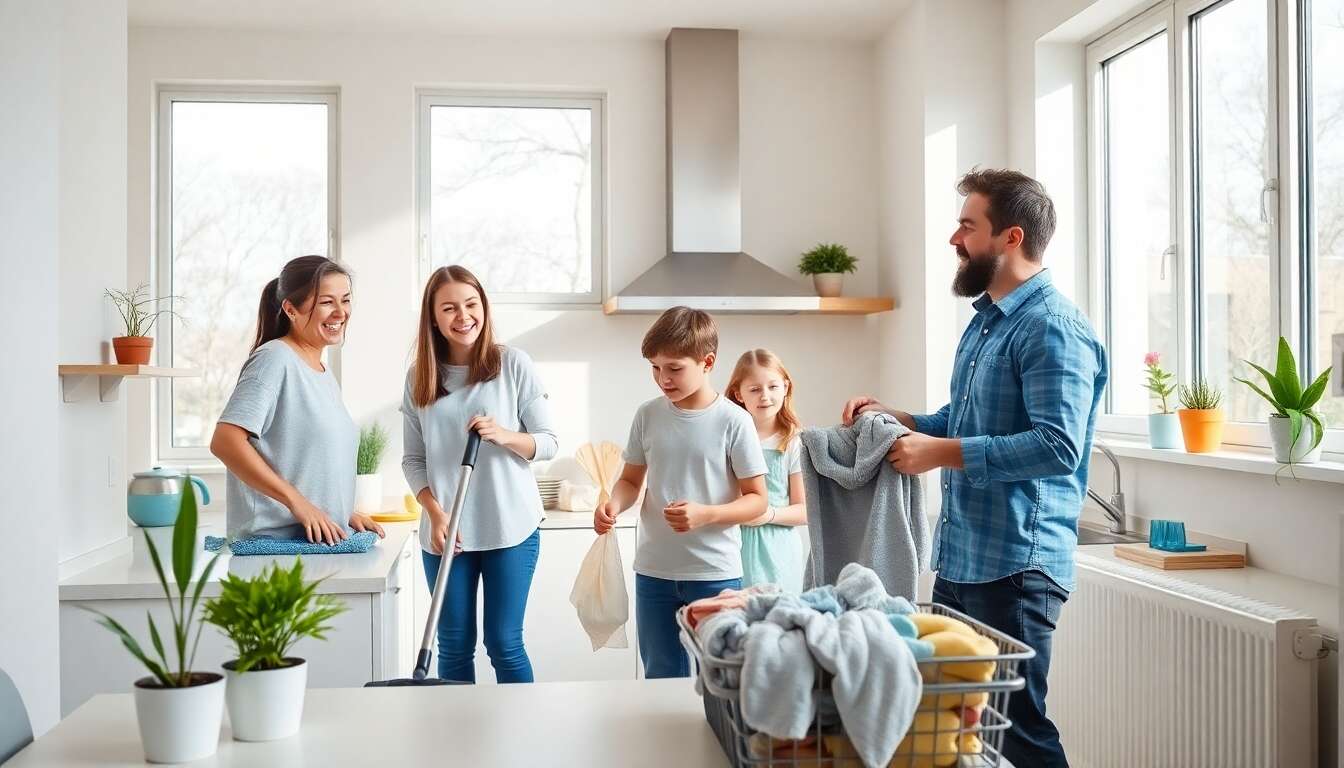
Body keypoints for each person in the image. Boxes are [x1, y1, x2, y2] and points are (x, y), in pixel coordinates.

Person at [842, 168, 1108, 768]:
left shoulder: (1053, 328)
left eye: (967, 225)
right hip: (963, 558)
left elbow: (1057, 446)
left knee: (1017, 730)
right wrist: (903, 420)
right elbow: (964, 420)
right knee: (957, 724)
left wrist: (940, 453)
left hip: (1016, 565)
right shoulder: (989, 320)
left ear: (1011, 237)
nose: (953, 239)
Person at [401, 265, 557, 683]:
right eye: (449, 308)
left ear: (484, 308)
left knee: (504, 643)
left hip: (510, 527)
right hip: (445, 533)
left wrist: (503, 435)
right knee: (453, 645)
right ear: (433, 318)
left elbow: (548, 443)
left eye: (471, 304)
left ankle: (521, 725)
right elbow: (413, 459)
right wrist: (435, 513)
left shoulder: (512, 365)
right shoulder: (419, 377)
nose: (463, 316)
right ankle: (459, 726)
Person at [593, 306, 768, 678]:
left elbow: (757, 500)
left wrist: (706, 514)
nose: (663, 379)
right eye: (655, 368)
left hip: (714, 572)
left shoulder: (734, 421)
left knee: (718, 676)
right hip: (654, 570)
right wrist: (613, 504)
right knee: (660, 674)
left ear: (707, 363)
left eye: (674, 368)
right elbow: (630, 481)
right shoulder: (648, 415)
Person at [211, 254, 385, 544]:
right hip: (275, 545)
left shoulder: (322, 373)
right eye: (326, 302)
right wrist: (298, 503)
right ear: (291, 310)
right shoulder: (274, 359)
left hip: (310, 543)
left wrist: (340, 512)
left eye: (345, 300)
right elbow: (225, 441)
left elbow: (305, 461)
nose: (340, 312)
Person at [725, 349, 808, 593]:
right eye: (754, 389)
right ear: (738, 394)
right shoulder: (728, 438)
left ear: (785, 387)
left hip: (779, 553)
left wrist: (767, 514)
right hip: (733, 547)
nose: (765, 396)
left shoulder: (794, 442)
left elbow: (805, 510)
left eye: (773, 387)